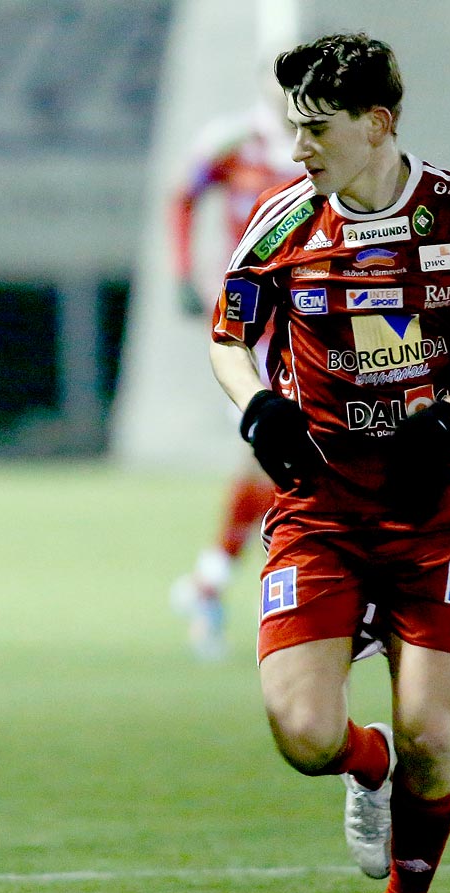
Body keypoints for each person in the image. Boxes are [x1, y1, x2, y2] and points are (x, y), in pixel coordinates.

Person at [209, 33, 450, 893]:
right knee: (304, 735)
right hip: (319, 511)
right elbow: (228, 338)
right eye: (294, 130)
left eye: (316, 130)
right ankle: (366, 771)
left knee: (432, 734)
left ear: (378, 123)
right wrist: (259, 407)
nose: (300, 150)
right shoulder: (281, 224)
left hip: (433, 508)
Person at [169, 90, 300, 661]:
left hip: (311, 319)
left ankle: (210, 582)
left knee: (284, 459)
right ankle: (217, 583)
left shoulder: (312, 146)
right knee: (275, 454)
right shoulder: (230, 141)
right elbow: (183, 195)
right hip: (253, 326)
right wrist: (183, 271)